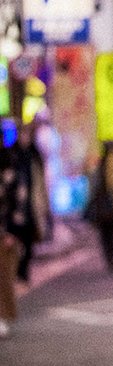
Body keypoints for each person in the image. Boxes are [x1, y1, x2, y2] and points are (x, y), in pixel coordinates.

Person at [0, 122, 50, 284]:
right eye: (22, 134)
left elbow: (41, 182)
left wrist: (45, 203)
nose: (24, 138)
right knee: (15, 240)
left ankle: (23, 272)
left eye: (27, 135)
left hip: (30, 204)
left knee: (29, 240)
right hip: (14, 206)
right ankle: (18, 273)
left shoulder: (34, 156)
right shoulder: (10, 155)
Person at [86, 141, 113, 273]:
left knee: (106, 235)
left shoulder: (100, 165)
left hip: (102, 206)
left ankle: (111, 259)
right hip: (112, 205)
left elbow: (94, 185)